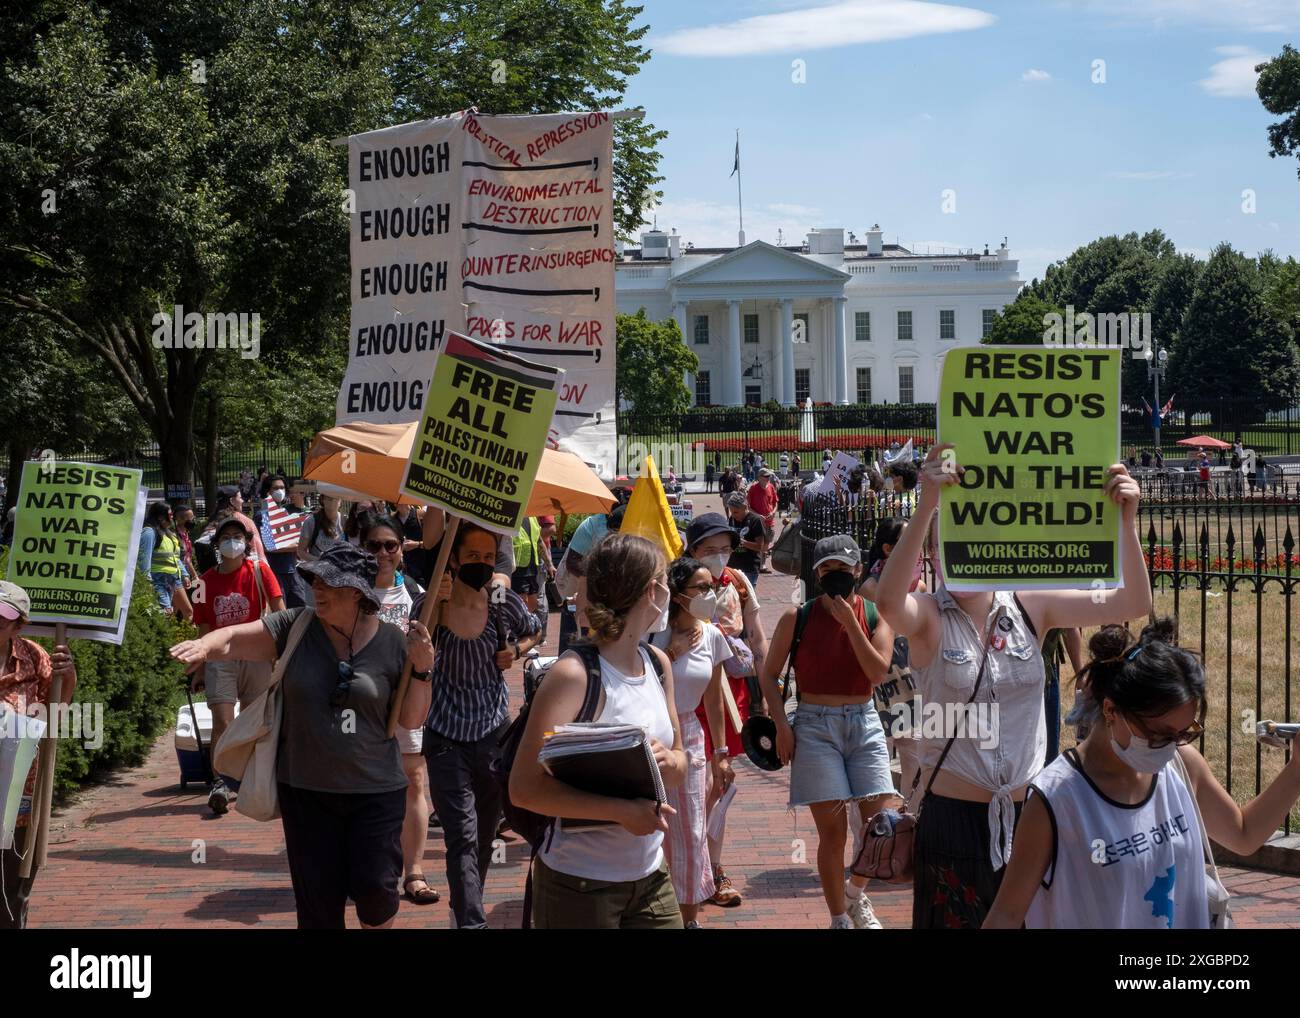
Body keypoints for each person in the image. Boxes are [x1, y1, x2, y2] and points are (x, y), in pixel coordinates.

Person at [874, 443, 1152, 928]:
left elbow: (1129, 601)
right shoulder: (932, 618)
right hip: (954, 821)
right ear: (935, 555)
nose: (962, 554)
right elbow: (890, 603)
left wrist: (1126, 522)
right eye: (947, 545)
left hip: (1031, 818)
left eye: (975, 540)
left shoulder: (1030, 605)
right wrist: (926, 507)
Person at [169, 543, 435, 929]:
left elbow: (411, 719)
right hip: (307, 791)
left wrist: (423, 670)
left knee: (376, 893)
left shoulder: (395, 642)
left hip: (376, 791)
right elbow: (232, 639)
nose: (316, 589)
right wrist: (204, 646)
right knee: (318, 907)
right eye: (313, 580)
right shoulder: (295, 626)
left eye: (328, 582)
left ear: (357, 592)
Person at [985, 620, 1300, 929]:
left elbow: (1244, 835)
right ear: (1111, 711)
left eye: (1183, 733)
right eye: (1159, 734)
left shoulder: (1182, 766)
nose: (1170, 746)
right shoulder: (1055, 798)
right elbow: (1007, 915)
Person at [509, 533, 690, 929]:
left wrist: (670, 759)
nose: (670, 590)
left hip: (650, 875)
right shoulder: (574, 675)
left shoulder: (657, 663)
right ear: (649, 592)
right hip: (579, 883)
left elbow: (680, 763)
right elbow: (523, 788)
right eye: (665, 580)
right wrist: (620, 811)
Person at [759, 534, 897, 929]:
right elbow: (768, 675)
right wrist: (783, 725)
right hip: (815, 725)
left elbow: (876, 672)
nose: (835, 575)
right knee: (833, 835)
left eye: (843, 568)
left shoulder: (873, 616)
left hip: (863, 721)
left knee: (879, 829)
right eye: (827, 568)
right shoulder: (796, 617)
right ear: (817, 573)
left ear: (857, 569)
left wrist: (851, 624)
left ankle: (855, 895)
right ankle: (839, 918)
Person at [417, 522, 544, 929]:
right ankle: (473, 922)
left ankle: (463, 907)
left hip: (491, 734)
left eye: (488, 558)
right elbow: (410, 653)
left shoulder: (501, 601)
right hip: (445, 737)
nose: (482, 565)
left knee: (485, 835)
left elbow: (535, 629)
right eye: (472, 557)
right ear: (454, 558)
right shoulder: (433, 601)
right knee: (461, 835)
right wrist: (431, 614)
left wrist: (515, 651)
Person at [684, 513, 769, 907]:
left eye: (725, 548)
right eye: (709, 550)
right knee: (692, 786)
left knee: (719, 783)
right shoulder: (683, 585)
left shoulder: (739, 581)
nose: (719, 557)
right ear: (693, 550)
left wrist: (766, 689)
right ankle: (689, 867)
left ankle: (712, 869)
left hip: (730, 691)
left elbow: (756, 634)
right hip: (692, 689)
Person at [647, 557, 733, 927]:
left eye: (711, 587)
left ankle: (689, 918)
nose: (709, 594)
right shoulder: (651, 634)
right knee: (652, 828)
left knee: (691, 832)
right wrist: (671, 654)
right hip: (650, 738)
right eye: (701, 588)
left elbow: (713, 699)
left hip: (691, 740)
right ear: (679, 596)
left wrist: (721, 753)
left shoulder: (712, 635)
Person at [192, 516, 285, 815]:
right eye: (227, 536)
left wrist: (280, 655)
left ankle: (246, 777)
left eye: (238, 536)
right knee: (222, 721)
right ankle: (220, 781)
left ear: (246, 542)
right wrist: (200, 666)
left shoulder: (261, 571)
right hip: (220, 659)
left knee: (252, 720)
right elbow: (203, 628)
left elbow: (280, 613)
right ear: (218, 544)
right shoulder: (202, 583)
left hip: (257, 656)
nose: (233, 541)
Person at [0, 581, 77, 929]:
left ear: (19, 624)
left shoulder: (33, 656)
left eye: (2, 619)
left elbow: (55, 715)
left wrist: (69, 678)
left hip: (17, 794)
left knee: (10, 892)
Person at [858, 517, 926, 805]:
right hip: (878, 689)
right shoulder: (872, 590)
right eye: (909, 540)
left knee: (916, 765)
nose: (918, 549)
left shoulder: (920, 587)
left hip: (911, 689)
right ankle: (873, 838)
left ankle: (909, 824)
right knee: (877, 768)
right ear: (888, 549)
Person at [137, 501, 193, 620]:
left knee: (186, 611)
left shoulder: (168, 534)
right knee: (166, 614)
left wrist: (184, 574)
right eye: (170, 515)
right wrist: (147, 583)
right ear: (161, 517)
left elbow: (175, 557)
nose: (173, 518)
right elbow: (143, 560)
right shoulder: (149, 532)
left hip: (173, 579)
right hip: (159, 580)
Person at [258, 474, 307, 609]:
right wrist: (296, 547)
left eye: (282, 487)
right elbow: (268, 546)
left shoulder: (286, 513)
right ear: (268, 491)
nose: (280, 491)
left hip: (292, 570)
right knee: (282, 613)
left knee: (300, 609)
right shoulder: (263, 515)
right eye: (276, 488)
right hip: (275, 572)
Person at [723, 491, 765, 588]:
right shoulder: (732, 519)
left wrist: (741, 541)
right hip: (732, 566)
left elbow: (759, 546)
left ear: (745, 507)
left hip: (749, 567)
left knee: (747, 598)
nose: (733, 515)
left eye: (736, 512)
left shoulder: (755, 520)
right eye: (731, 512)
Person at [297, 492, 344, 565]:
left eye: (335, 498)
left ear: (340, 501)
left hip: (341, 570)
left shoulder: (345, 521)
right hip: (318, 572)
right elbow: (301, 551)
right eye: (328, 498)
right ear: (322, 500)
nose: (332, 501)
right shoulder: (311, 521)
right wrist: (320, 561)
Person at [510, 516, 545, 614]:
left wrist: (549, 564)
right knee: (521, 603)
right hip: (517, 569)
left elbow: (539, 541)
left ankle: (526, 624)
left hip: (532, 568)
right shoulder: (512, 514)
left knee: (533, 603)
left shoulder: (532, 517)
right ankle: (521, 626)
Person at [747, 469, 779, 573]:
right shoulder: (753, 488)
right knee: (759, 543)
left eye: (768, 476)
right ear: (759, 477)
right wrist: (758, 515)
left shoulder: (771, 487)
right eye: (766, 476)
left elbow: (775, 502)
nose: (768, 478)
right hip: (757, 521)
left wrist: (773, 512)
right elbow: (748, 506)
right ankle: (758, 563)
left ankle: (762, 565)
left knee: (766, 543)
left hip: (769, 521)